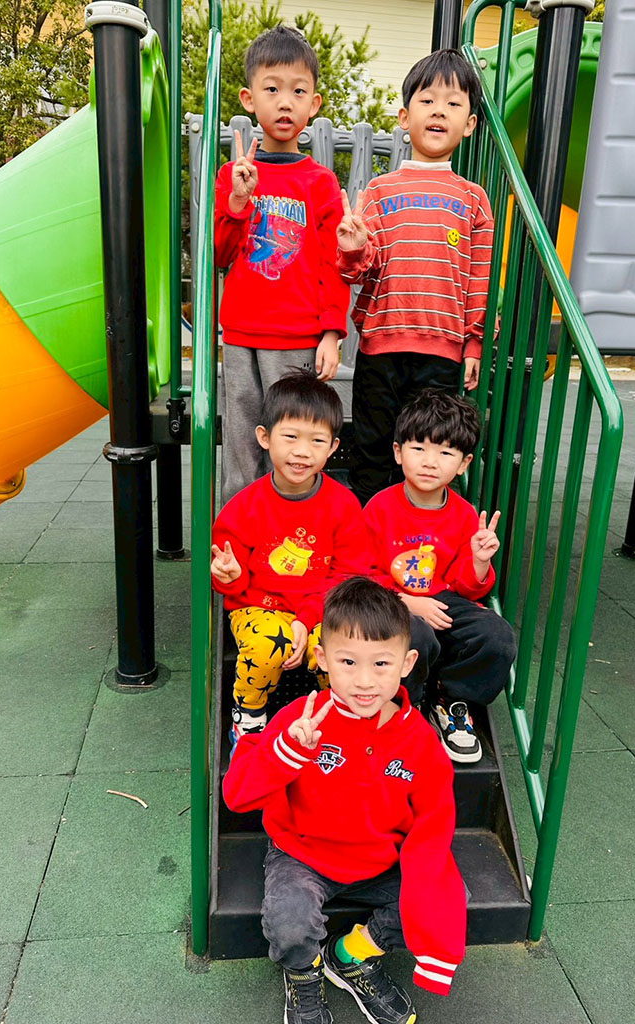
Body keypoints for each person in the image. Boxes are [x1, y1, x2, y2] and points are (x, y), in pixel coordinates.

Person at [223, 576, 466, 1024]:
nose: (364, 681)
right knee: (290, 922)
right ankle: (303, 975)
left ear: (407, 663)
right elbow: (237, 795)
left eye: (381, 663)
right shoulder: (301, 718)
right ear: (322, 658)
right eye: (348, 661)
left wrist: (435, 931)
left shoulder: (421, 742)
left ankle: (350, 954)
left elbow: (433, 826)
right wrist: (287, 753)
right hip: (302, 855)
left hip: (379, 860)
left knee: (446, 896)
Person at [336, 49, 494, 507]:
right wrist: (353, 247)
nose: (439, 111)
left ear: (469, 124)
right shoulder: (380, 191)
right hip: (381, 347)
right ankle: (368, 535)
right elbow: (358, 270)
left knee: (428, 450)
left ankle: (420, 536)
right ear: (405, 118)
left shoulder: (474, 199)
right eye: (427, 101)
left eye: (453, 103)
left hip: (442, 352)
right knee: (372, 447)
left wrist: (474, 344)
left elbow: (478, 278)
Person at [215, 25, 351, 505]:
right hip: (241, 334)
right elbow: (220, 254)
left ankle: (291, 531)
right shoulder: (234, 175)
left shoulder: (320, 183)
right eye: (272, 90)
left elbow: (333, 264)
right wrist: (238, 201)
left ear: (314, 104)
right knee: (241, 441)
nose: (285, 102)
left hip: (296, 337)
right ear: (249, 99)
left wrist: (332, 333)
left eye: (298, 91)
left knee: (293, 441)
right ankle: (233, 539)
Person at [211, 370, 371, 746]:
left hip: (321, 607)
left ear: (333, 447)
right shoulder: (244, 508)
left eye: (317, 440)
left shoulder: (343, 505)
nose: (302, 451)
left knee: (346, 644)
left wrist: (306, 619)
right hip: (259, 606)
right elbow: (231, 580)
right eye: (291, 437)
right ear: (264, 437)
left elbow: (348, 575)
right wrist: (229, 575)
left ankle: (342, 713)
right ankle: (249, 714)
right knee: (269, 645)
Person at [364, 389, 517, 764]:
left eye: (446, 453)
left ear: (464, 464)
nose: (430, 462)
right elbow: (362, 573)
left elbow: (467, 588)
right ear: (398, 452)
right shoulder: (379, 508)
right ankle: (405, 708)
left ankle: (451, 700)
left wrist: (479, 561)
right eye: (419, 449)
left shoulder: (464, 514)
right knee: (414, 635)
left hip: (445, 601)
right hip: (392, 600)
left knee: (497, 636)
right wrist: (405, 601)